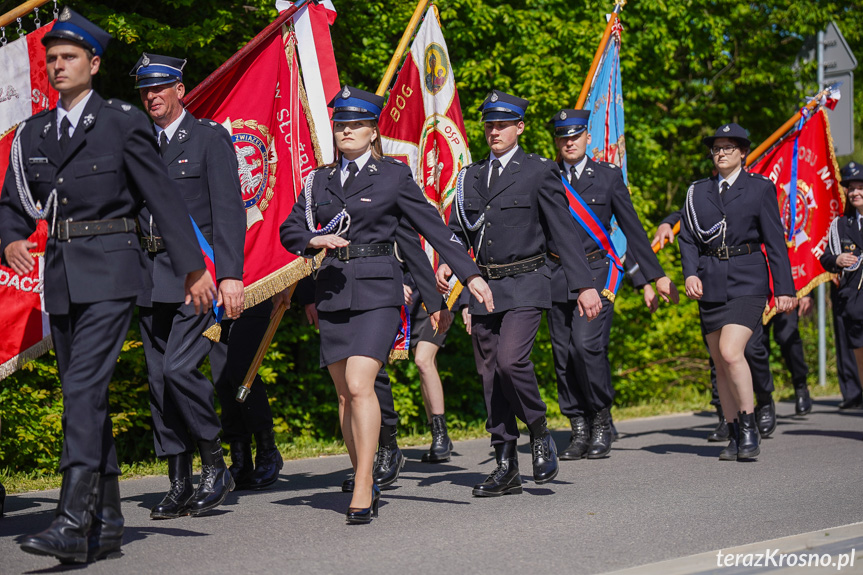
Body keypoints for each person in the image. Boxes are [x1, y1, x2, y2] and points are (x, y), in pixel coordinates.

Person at [0, 10, 214, 563]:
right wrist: (8, 242)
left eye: (68, 57)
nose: (56, 66)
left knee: (82, 393)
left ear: (94, 65)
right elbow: (10, 205)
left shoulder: (121, 121)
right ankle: (111, 522)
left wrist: (194, 268)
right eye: (51, 59)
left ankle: (72, 523)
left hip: (115, 270)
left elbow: (162, 196)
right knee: (84, 395)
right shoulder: (36, 132)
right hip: (64, 276)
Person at [280, 86, 493, 524]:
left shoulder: (393, 176)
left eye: (356, 124)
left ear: (373, 130)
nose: (347, 131)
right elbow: (288, 231)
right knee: (344, 397)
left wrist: (469, 276)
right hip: (334, 291)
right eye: (340, 124)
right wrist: (312, 239)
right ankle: (366, 472)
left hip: (379, 292)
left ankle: (363, 483)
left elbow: (432, 231)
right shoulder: (317, 180)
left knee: (360, 383)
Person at [436, 90, 601, 497]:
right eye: (489, 124)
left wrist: (583, 285)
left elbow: (563, 230)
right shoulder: (470, 176)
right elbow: (460, 230)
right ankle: (505, 464)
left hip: (528, 281)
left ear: (519, 127)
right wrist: (447, 262)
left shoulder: (539, 171)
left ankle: (540, 431)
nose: (494, 131)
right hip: (484, 286)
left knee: (511, 362)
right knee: (490, 376)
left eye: (503, 124)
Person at [131, 52, 246, 518]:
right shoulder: (136, 144)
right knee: (160, 382)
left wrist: (230, 276)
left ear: (180, 89)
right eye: (144, 90)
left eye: (160, 88)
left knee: (180, 369)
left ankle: (215, 462)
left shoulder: (207, 140)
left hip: (196, 278)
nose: (151, 96)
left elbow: (229, 211)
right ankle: (179, 481)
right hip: (147, 276)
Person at [546, 108, 678, 460]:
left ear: (588, 138)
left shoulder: (607, 176)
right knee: (562, 355)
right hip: (556, 275)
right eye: (563, 137)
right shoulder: (545, 176)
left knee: (585, 347)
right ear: (556, 142)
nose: (569, 142)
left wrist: (656, 274)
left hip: (596, 273)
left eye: (575, 136)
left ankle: (601, 419)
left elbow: (632, 229)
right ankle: (578, 426)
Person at [679, 122, 796, 462]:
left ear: (743, 152)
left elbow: (775, 243)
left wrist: (784, 289)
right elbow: (688, 238)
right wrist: (689, 274)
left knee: (731, 352)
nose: (720, 153)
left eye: (728, 148)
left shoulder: (760, 188)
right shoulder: (698, 191)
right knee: (719, 360)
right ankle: (732, 430)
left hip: (748, 280)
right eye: (716, 148)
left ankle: (749, 425)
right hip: (711, 280)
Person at [655, 211, 813, 437]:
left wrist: (789, 287)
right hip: (716, 281)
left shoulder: (762, 183)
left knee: (751, 348)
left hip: (753, 279)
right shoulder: (709, 187)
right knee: (718, 354)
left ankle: (765, 400)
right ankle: (726, 417)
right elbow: (691, 210)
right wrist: (668, 222)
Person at [212, 294, 286, 491]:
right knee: (222, 380)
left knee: (241, 372)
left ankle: (268, 451)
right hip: (216, 301)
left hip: (252, 291)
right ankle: (240, 459)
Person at [821, 161, 863, 405]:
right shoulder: (840, 225)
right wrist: (837, 258)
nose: (855, 192)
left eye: (860, 188)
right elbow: (825, 258)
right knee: (860, 358)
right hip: (854, 302)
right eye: (851, 188)